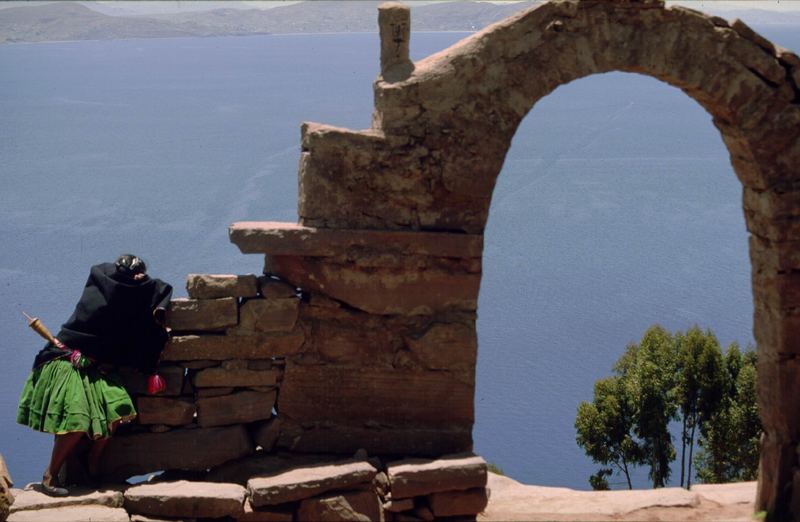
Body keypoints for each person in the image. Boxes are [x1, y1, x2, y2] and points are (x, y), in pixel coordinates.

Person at [16, 255, 172, 496]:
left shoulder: (125, 309)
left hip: (95, 369)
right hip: (65, 362)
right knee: (76, 420)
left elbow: (155, 292)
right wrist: (78, 356)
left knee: (116, 412)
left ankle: (92, 467)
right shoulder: (99, 297)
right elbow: (78, 336)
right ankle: (50, 476)